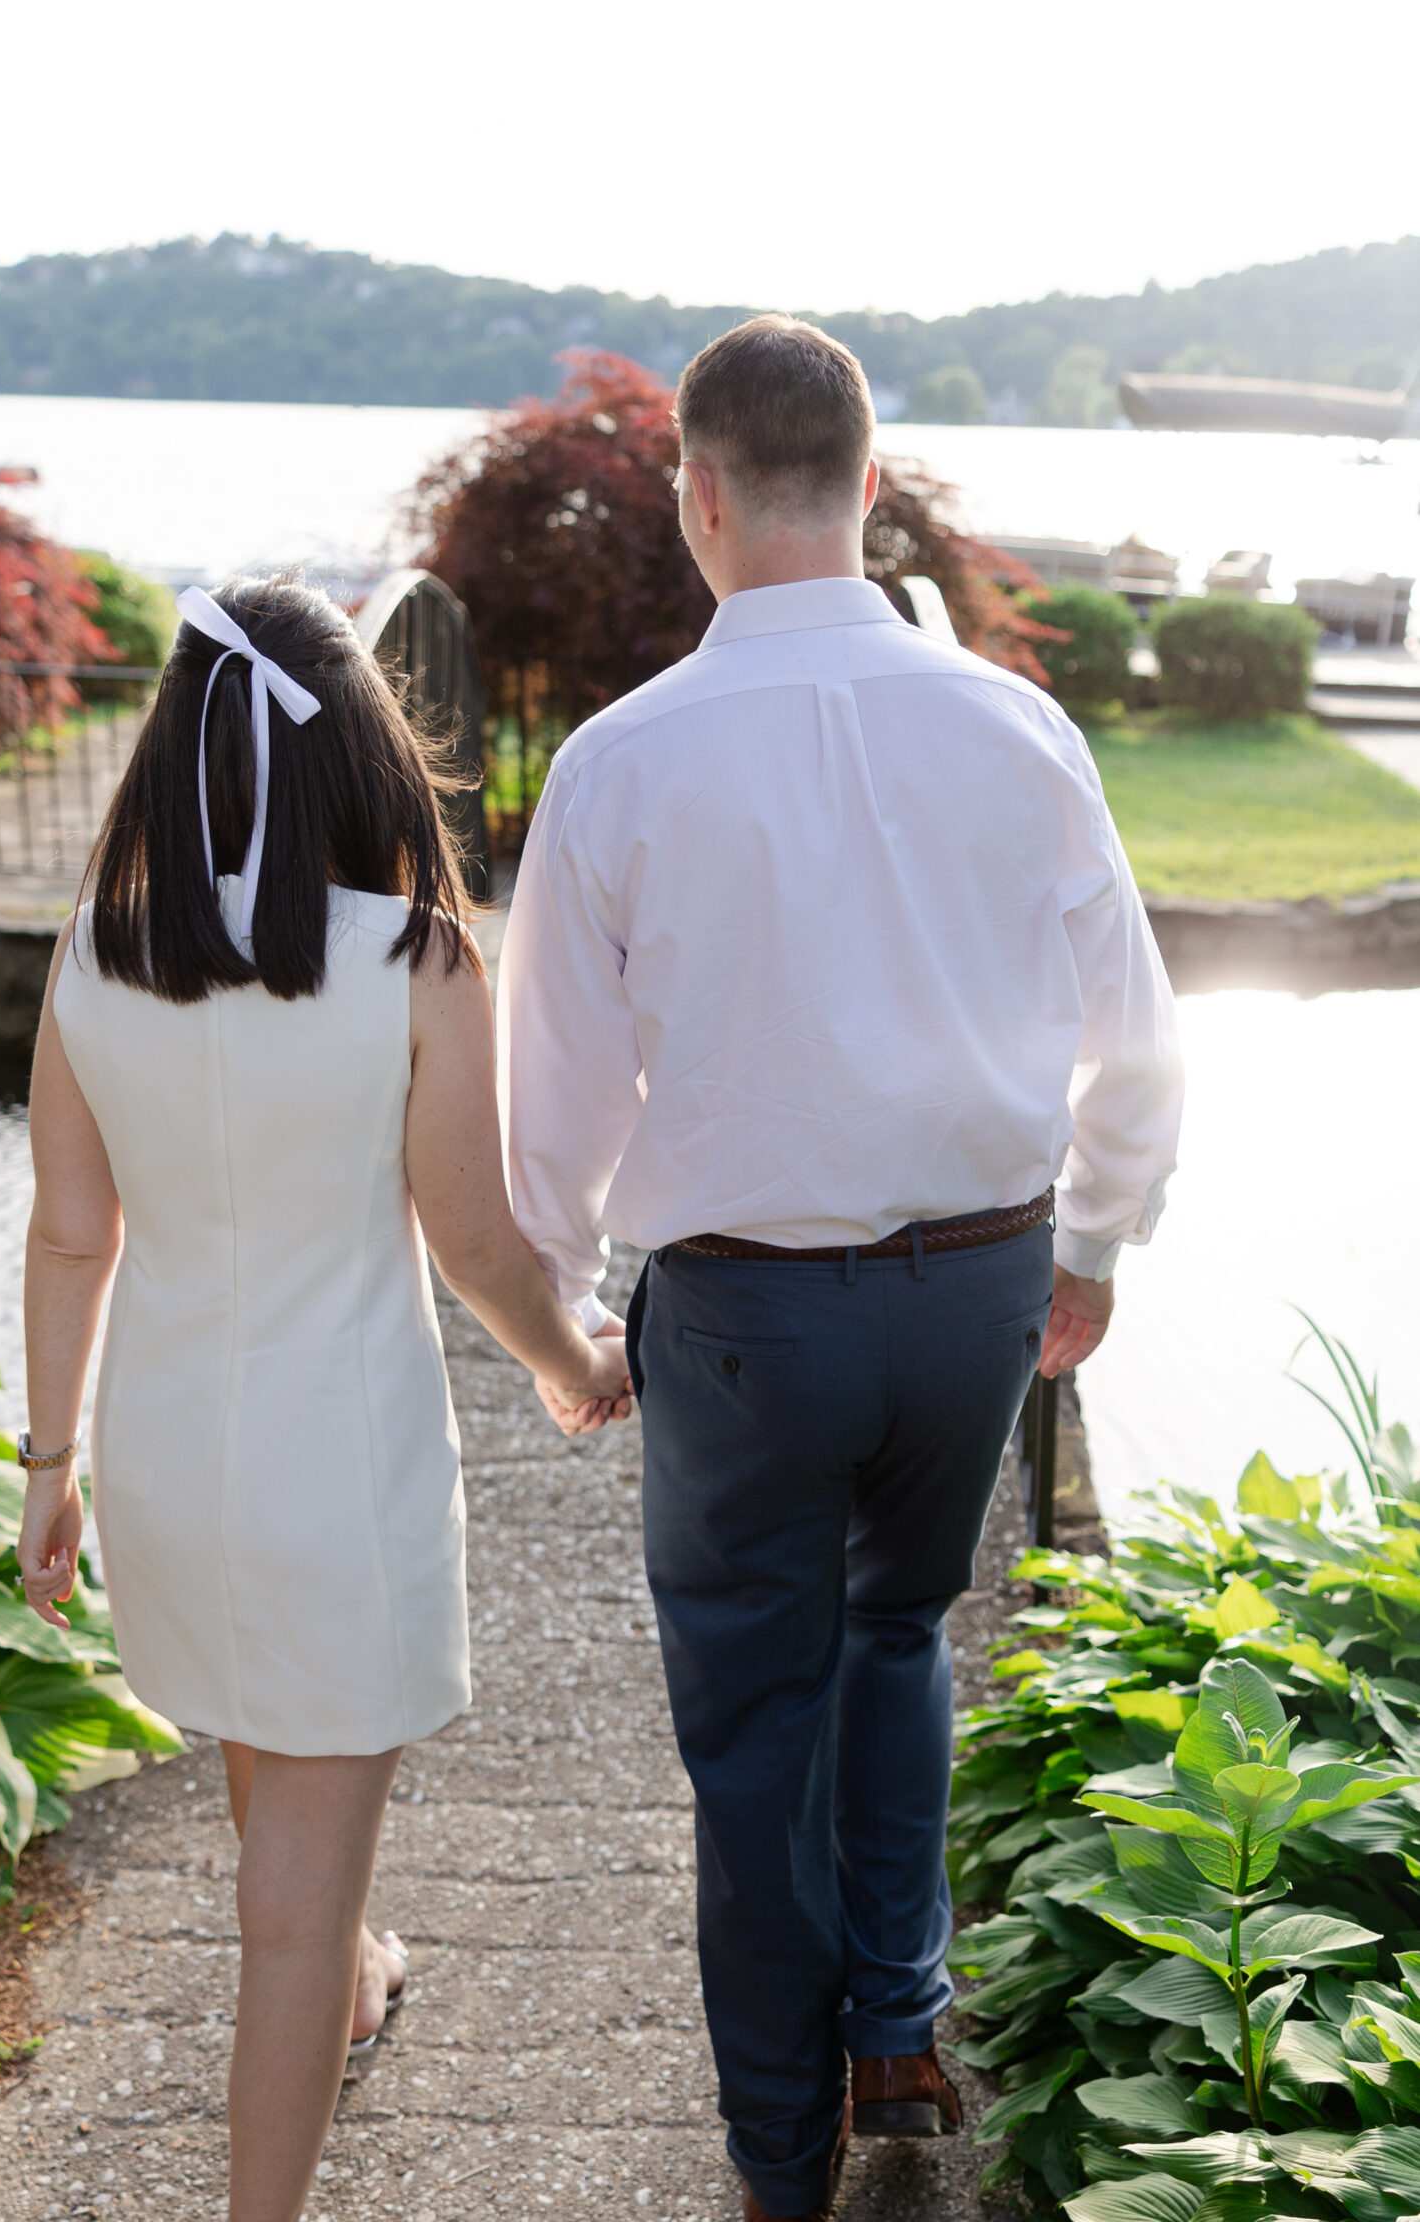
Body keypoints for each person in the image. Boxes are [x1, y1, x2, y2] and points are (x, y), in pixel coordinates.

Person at [499, 317, 1184, 2222]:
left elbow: (546, 1096)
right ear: (869, 486)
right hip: (975, 1291)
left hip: (741, 1322)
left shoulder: (623, 763)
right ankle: (901, 2022)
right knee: (898, 1635)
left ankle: (777, 2156)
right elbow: (1133, 1028)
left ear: (699, 499)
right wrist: (1099, 1245)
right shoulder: (1015, 724)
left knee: (750, 1729)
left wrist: (558, 1312)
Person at [18, 577, 631, 2222]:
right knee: (280, 1910)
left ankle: (359, 1968)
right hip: (335, 1472)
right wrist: (581, 1365)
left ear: (172, 756)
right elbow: (477, 1240)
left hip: (163, 1461)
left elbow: (73, 1235)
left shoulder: (93, 957)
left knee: (272, 1773)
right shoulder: (416, 959)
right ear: (360, 752)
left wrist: (48, 1467)